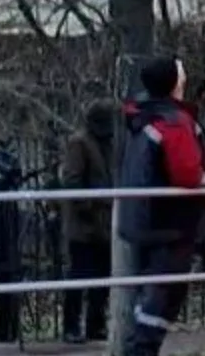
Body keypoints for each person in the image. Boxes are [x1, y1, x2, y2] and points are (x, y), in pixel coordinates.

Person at [118, 56, 205, 356]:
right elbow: (188, 174)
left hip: (143, 219)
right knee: (163, 296)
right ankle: (141, 350)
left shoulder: (143, 117)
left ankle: (137, 346)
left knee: (149, 294)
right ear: (175, 83)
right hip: (170, 224)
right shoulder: (173, 122)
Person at [58, 100, 116, 344]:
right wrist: (90, 204)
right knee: (79, 275)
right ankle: (71, 326)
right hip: (84, 224)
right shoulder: (79, 143)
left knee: (102, 277)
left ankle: (96, 324)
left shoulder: (110, 142)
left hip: (105, 222)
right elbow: (72, 181)